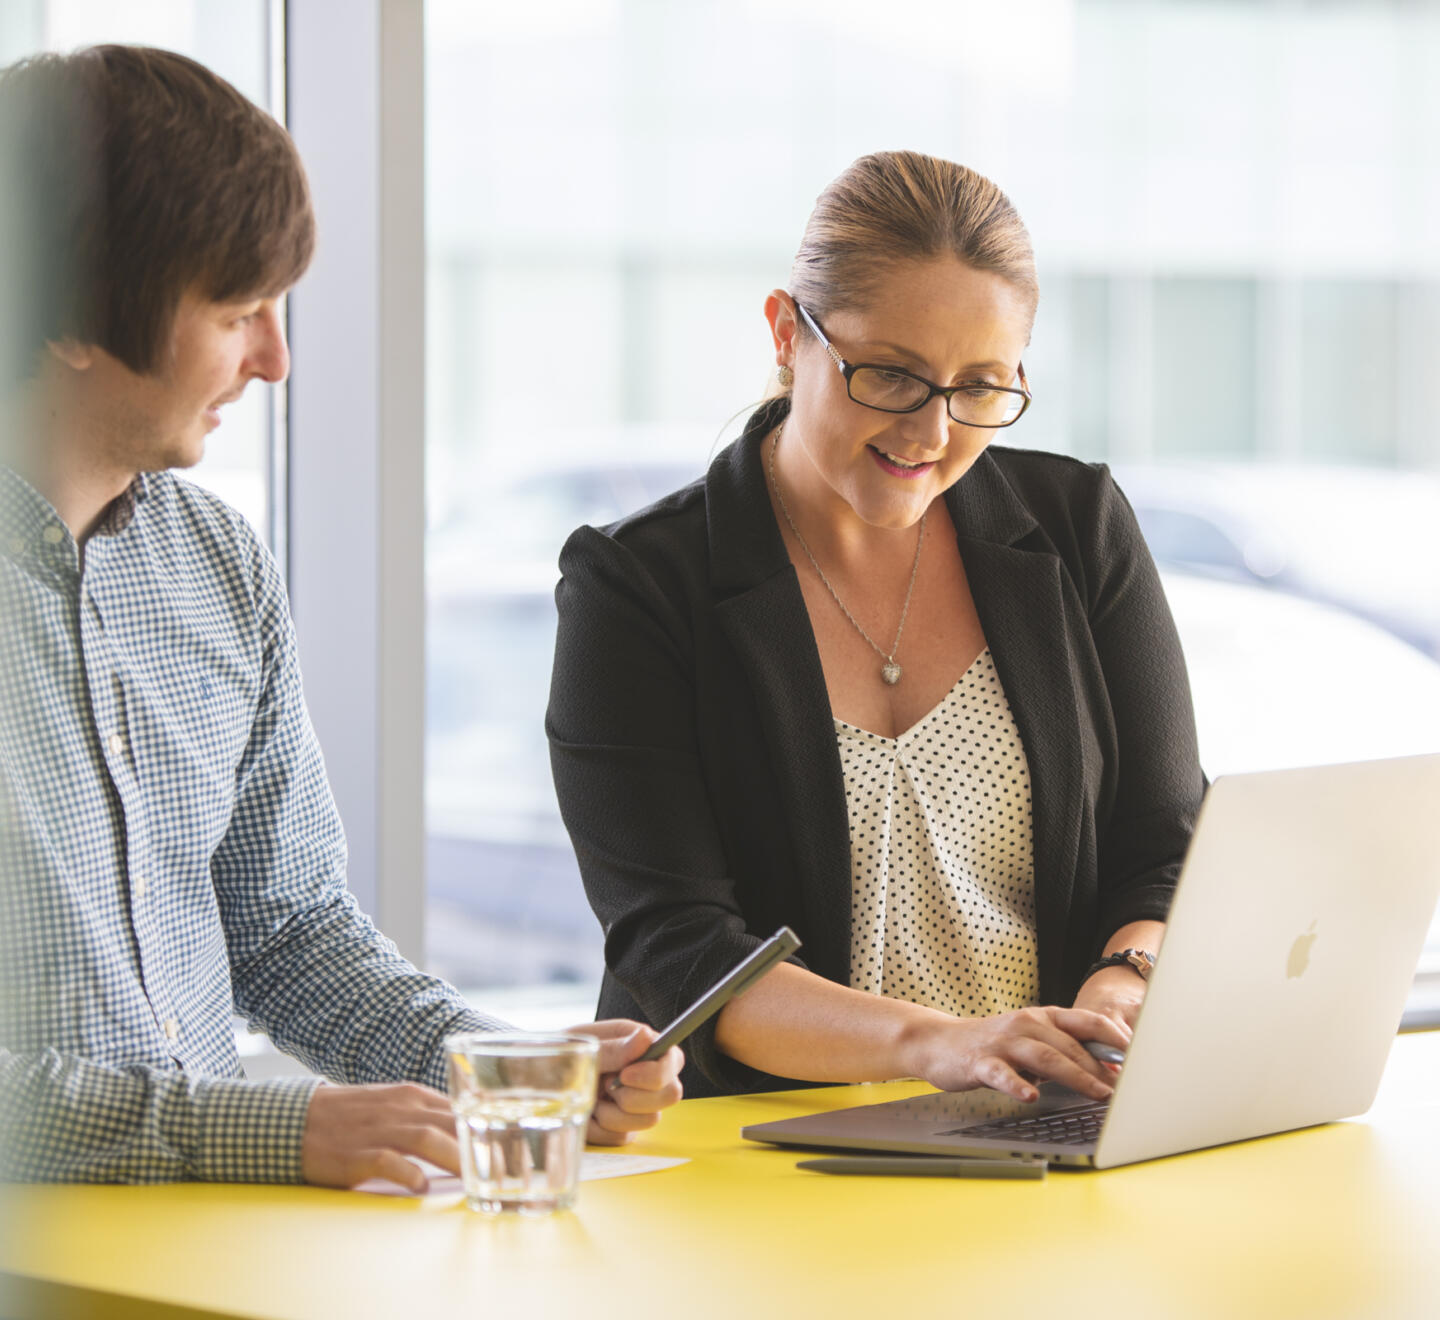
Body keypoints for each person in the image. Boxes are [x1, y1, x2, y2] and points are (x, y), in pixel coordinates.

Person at [0, 45, 682, 1189]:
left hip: (205, 1268)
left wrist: (507, 1071)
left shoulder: (219, 570)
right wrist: (265, 1133)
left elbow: (291, 934)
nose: (274, 360)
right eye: (237, 313)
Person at [547, 150, 1206, 1102]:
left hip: (1038, 1127)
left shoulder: (1077, 531)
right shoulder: (637, 584)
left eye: (981, 387)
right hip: (753, 1158)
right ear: (787, 334)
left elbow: (1167, 846)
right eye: (891, 376)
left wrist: (1125, 980)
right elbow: (679, 946)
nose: (932, 434)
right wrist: (940, 1045)